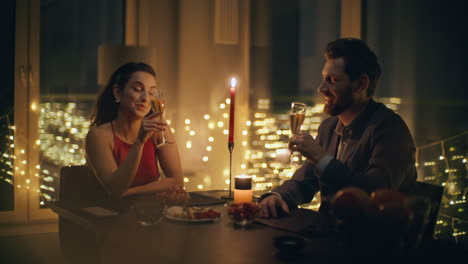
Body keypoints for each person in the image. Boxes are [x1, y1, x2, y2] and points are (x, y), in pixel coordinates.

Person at [259, 38, 417, 218]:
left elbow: (375, 192)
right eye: (323, 79)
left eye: (332, 80)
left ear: (361, 84)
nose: (321, 88)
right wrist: (278, 196)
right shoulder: (329, 127)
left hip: (371, 241)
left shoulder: (390, 128)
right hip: (329, 234)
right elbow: (306, 181)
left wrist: (321, 158)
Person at [85, 62, 184, 199]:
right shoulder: (98, 136)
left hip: (151, 213)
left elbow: (177, 181)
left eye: (151, 93)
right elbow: (115, 189)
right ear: (118, 92)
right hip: (110, 215)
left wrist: (130, 192)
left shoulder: (158, 128)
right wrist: (139, 142)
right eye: (137, 89)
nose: (145, 99)